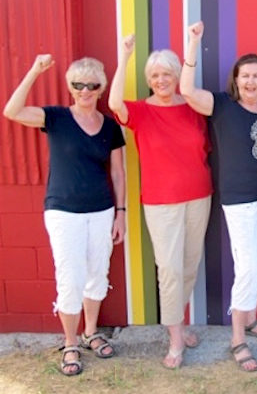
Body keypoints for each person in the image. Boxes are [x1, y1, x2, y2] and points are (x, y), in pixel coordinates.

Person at [4, 55, 125, 376]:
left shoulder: (110, 126)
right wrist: (34, 71)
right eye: (78, 84)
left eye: (92, 85)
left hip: (101, 210)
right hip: (63, 211)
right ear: (70, 87)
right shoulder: (55, 118)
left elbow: (118, 173)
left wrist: (121, 213)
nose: (85, 90)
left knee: (98, 272)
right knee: (70, 277)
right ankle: (71, 342)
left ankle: (91, 331)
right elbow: (11, 111)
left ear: (102, 88)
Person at [179, 22, 257, 373]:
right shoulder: (221, 105)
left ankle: (251, 318)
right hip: (238, 199)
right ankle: (238, 337)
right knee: (248, 266)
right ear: (236, 80)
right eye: (245, 76)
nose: (251, 82)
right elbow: (186, 89)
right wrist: (193, 44)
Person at [108, 32, 213, 369]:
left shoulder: (194, 108)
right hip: (160, 201)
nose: (161, 80)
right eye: (154, 75)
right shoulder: (139, 112)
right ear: (148, 81)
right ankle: (175, 339)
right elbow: (113, 105)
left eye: (167, 73)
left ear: (176, 74)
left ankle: (178, 325)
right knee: (169, 268)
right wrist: (124, 57)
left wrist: (193, 46)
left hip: (199, 196)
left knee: (189, 264)